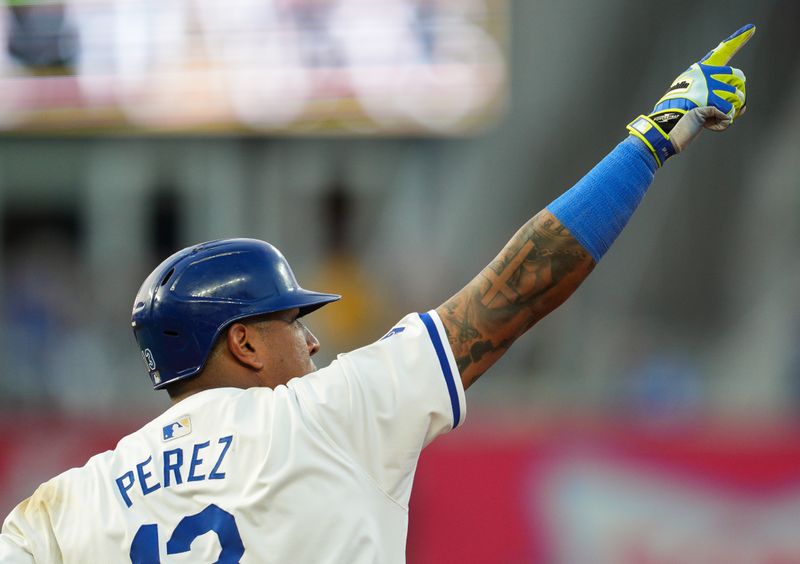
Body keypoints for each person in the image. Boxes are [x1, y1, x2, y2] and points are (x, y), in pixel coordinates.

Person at [0, 24, 755, 563]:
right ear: (245, 342)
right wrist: (654, 137)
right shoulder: (324, 417)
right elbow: (518, 287)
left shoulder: (71, 504)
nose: (316, 340)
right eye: (295, 322)